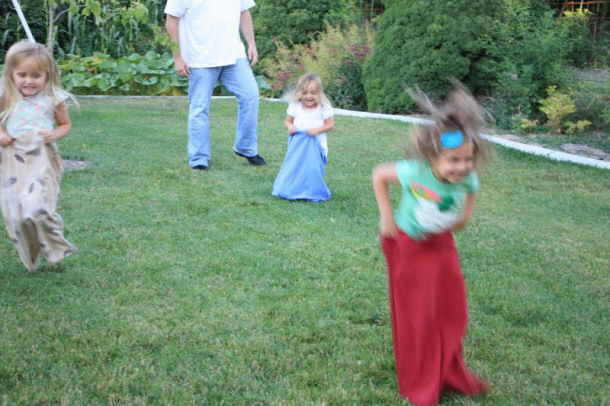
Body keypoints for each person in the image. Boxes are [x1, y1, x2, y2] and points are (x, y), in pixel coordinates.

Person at [372, 82, 490, 405]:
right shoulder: (415, 171)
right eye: (453, 160)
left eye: (467, 159)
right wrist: (386, 217)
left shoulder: (467, 176)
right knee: (420, 314)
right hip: (408, 245)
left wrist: (464, 216)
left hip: (441, 246)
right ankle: (421, 377)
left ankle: (449, 369)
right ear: (432, 158)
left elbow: (471, 188)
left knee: (450, 309)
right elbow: (379, 175)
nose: (462, 167)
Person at [0, 40, 77, 271]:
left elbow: (65, 124)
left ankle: (52, 238)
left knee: (36, 207)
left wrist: (54, 134)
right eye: (22, 74)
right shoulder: (6, 95)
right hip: (12, 157)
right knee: (17, 214)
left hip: (40, 157)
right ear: (11, 73)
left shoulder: (53, 98)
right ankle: (32, 250)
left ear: (47, 75)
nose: (28, 81)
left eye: (36, 75)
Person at [165, 0, 266, 171]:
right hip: (200, 58)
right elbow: (171, 19)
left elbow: (244, 12)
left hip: (233, 55)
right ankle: (199, 158)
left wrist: (252, 44)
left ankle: (246, 148)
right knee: (200, 108)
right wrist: (177, 57)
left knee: (250, 95)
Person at [272, 73, 334, 202]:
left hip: (317, 143)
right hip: (298, 143)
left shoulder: (324, 107)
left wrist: (317, 130)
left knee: (313, 168)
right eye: (305, 93)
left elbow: (330, 124)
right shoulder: (295, 106)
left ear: (319, 93)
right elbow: (288, 121)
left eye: (313, 93)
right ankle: (293, 189)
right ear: (299, 93)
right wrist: (290, 127)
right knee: (295, 166)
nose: (308, 96)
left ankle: (313, 191)